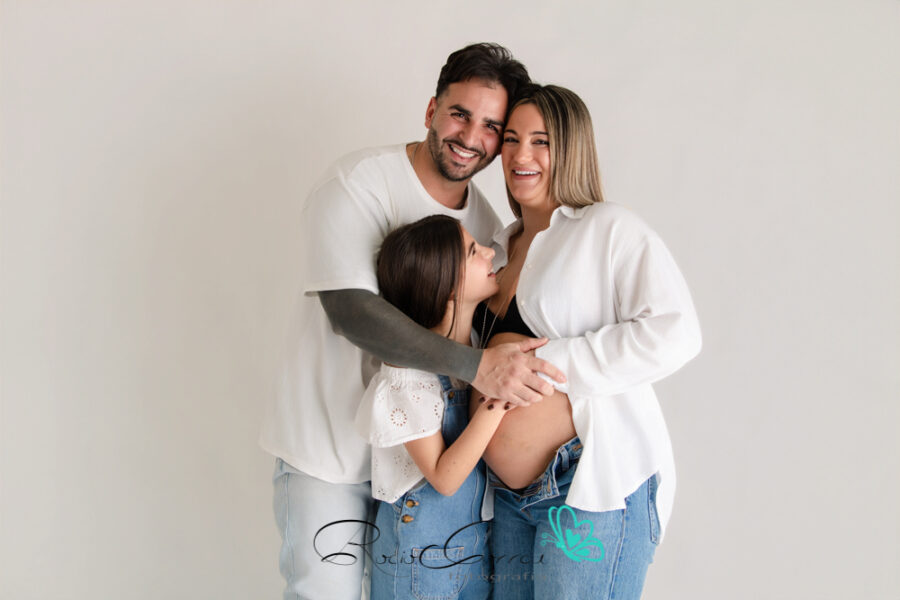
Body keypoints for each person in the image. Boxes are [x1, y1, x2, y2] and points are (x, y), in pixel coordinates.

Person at [259, 44, 565, 600]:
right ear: (431, 110)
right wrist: (479, 369)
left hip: (416, 478)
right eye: (459, 114)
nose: (471, 136)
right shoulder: (359, 183)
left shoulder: (485, 224)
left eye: (491, 126)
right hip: (329, 454)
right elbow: (352, 312)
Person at [471, 84, 702, 599]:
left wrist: (547, 363)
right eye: (511, 139)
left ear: (572, 148)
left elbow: (677, 332)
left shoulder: (608, 228)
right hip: (505, 498)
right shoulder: (496, 247)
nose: (521, 155)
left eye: (541, 141)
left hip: (586, 488)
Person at [356, 215, 512, 600]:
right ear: (446, 286)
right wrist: (498, 400)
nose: (490, 252)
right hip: (418, 558)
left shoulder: (477, 345)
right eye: (473, 251)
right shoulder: (407, 376)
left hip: (474, 548)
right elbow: (444, 478)